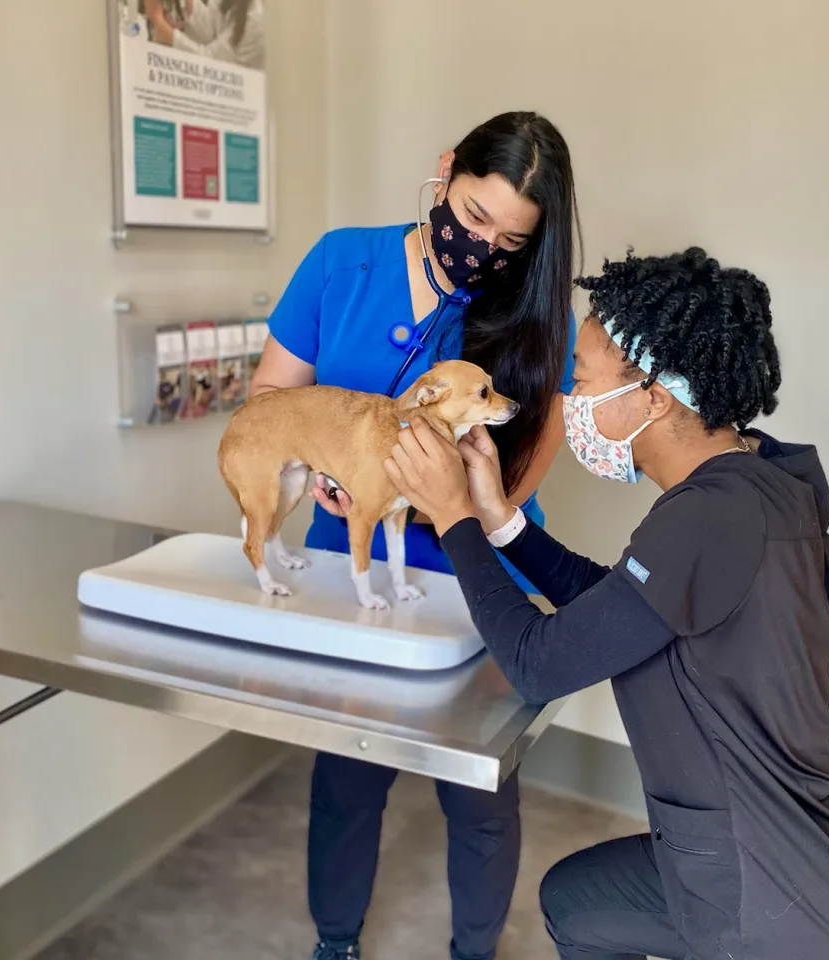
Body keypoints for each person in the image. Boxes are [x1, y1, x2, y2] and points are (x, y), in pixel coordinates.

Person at [383, 247, 829, 960]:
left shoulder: (707, 520)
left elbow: (539, 663)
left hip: (779, 904)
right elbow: (626, 604)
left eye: (583, 381)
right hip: (763, 859)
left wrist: (453, 520)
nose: (569, 403)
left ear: (654, 397)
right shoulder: (756, 484)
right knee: (580, 903)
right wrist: (502, 520)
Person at [249, 112, 579, 960]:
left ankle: (474, 951)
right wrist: (318, 473)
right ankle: (336, 943)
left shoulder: (532, 306)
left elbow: (531, 453)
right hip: (351, 555)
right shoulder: (342, 263)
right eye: (473, 218)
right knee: (349, 772)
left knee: (479, 790)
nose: (486, 248)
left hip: (481, 573)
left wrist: (463, 505)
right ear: (445, 174)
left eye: (510, 240)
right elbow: (270, 403)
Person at [144, 0, 264, 71]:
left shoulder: (257, 18)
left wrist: (159, 22)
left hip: (237, 97)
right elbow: (212, 28)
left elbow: (209, 61)